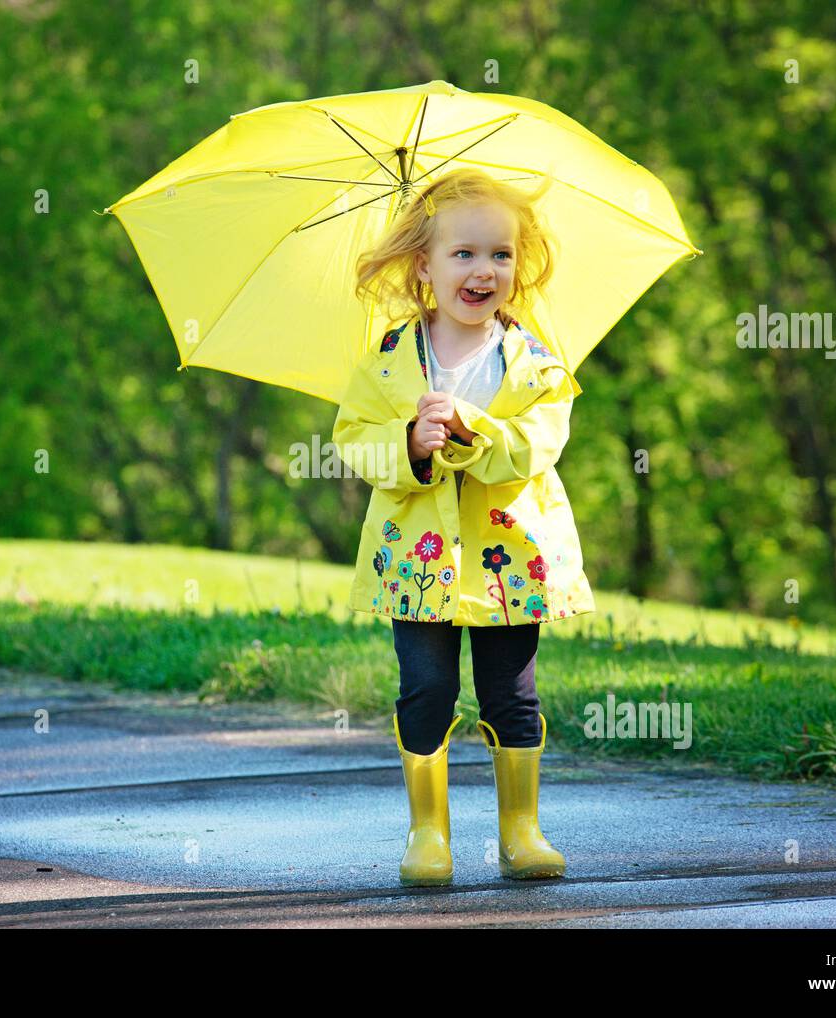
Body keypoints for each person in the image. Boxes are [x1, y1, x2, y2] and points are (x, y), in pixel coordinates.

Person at [332, 168, 596, 886]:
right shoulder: (389, 359)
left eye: (501, 255)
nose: (485, 271)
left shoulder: (534, 363)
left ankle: (521, 830)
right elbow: (352, 439)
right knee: (426, 688)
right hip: (416, 564)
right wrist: (411, 445)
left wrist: (473, 427)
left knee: (512, 692)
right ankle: (428, 833)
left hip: (509, 557)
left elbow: (539, 445)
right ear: (424, 264)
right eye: (464, 254)